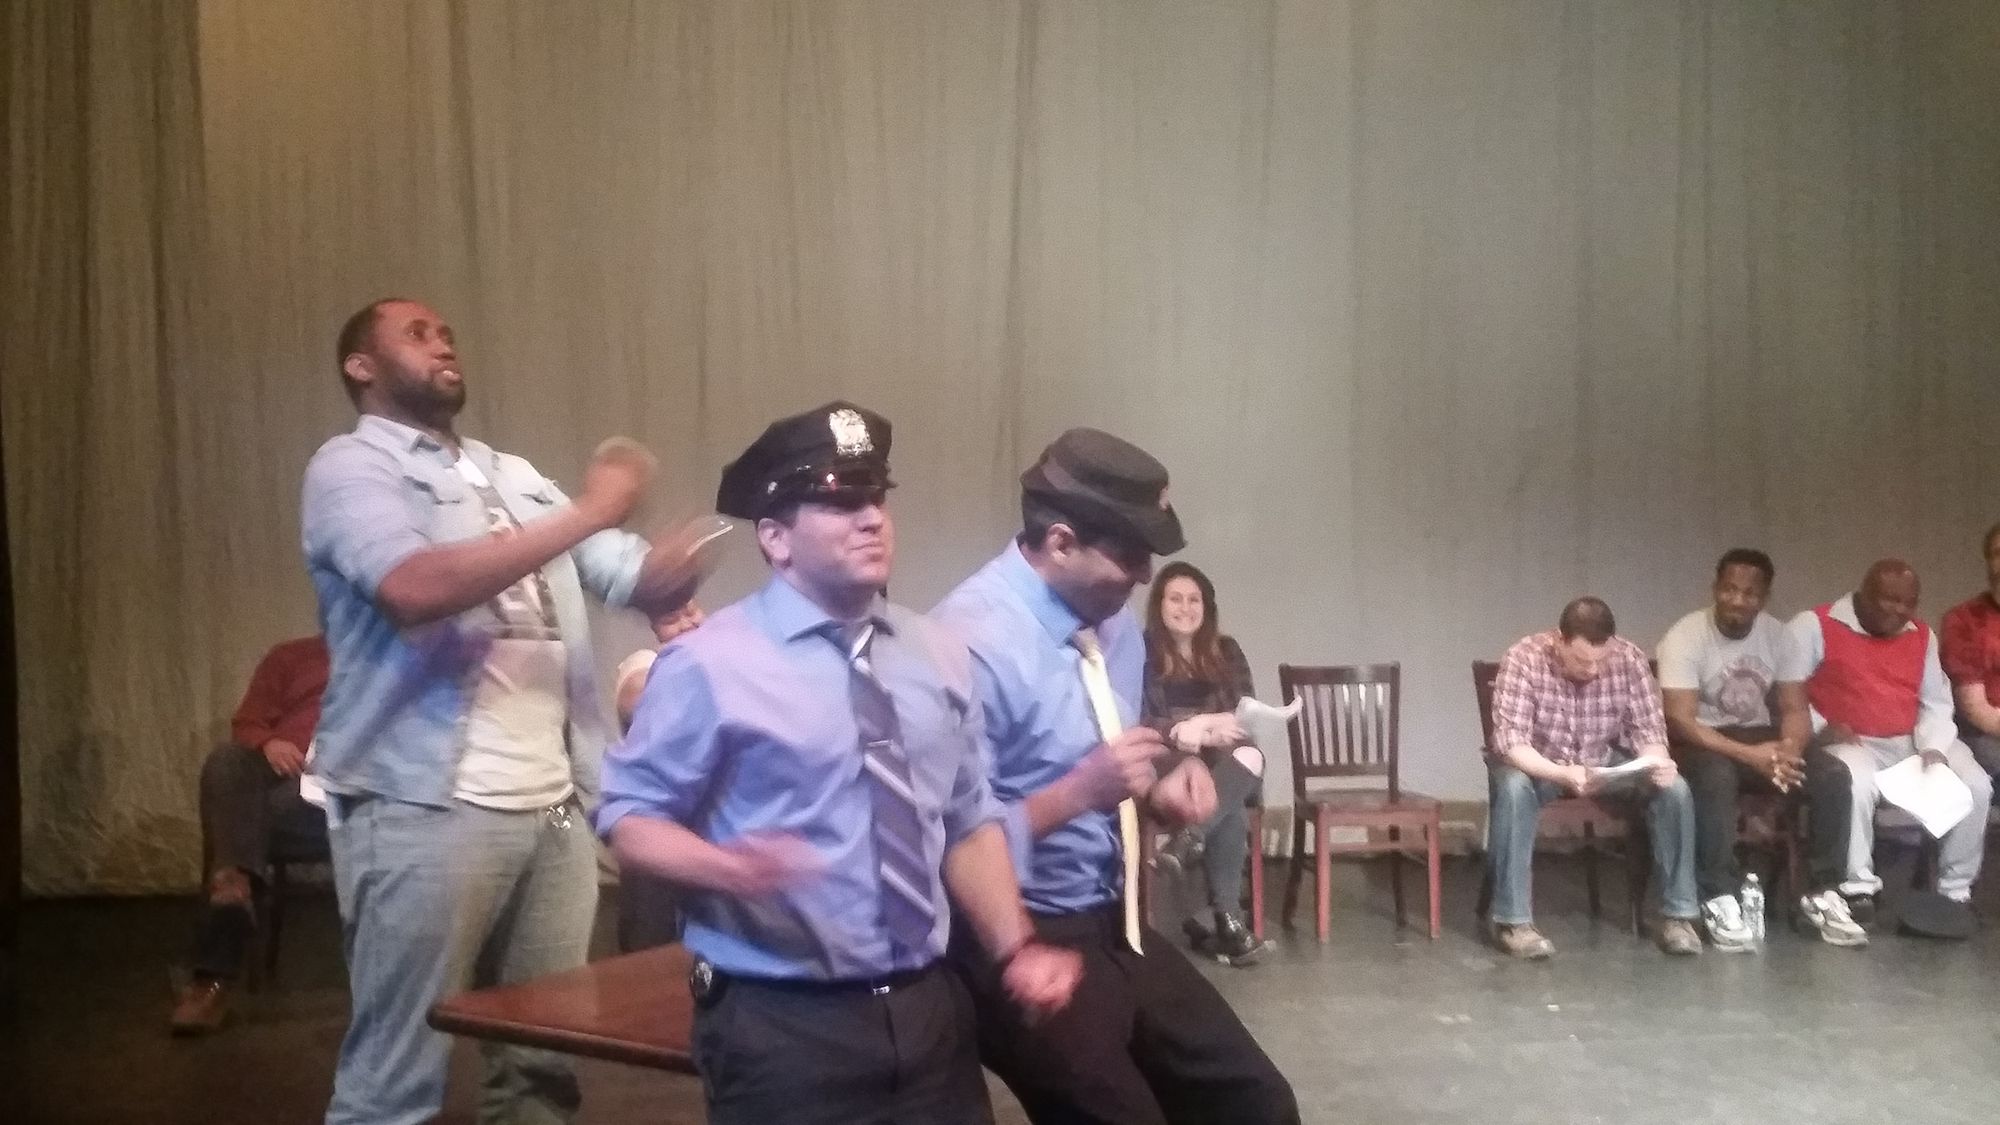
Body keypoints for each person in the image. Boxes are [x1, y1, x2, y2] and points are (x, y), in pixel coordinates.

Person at [597, 402, 1079, 1125]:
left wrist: (1017, 948)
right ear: (776, 537)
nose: (871, 518)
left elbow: (969, 819)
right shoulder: (709, 665)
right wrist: (728, 867)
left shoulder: (935, 652)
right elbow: (627, 816)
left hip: (927, 1008)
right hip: (782, 1023)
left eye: (877, 498)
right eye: (837, 501)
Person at [302, 297, 709, 1125]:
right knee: (395, 1078)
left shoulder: (513, 473)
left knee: (539, 1067)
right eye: (416, 333)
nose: (443, 340)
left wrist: (688, 555)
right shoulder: (350, 468)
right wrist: (595, 507)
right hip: (424, 803)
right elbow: (411, 587)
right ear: (361, 366)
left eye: (447, 330)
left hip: (553, 804)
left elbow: (633, 577)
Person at [933, 428, 1299, 1125]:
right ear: (1061, 540)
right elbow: (945, 840)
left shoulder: (1117, 628)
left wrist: (1158, 787)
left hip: (1118, 922)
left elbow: (1116, 764)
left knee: (1255, 1101)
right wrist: (1079, 793)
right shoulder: (966, 642)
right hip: (1017, 932)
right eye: (1129, 555)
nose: (1142, 578)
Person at [1656, 550, 1863, 948]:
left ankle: (1823, 892)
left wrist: (1788, 751)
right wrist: (1752, 756)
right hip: (1700, 741)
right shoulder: (1685, 636)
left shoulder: (1779, 636)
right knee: (1715, 778)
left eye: (1750, 593)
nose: (1738, 600)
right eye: (1730, 589)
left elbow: (1794, 708)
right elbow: (1681, 719)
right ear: (1716, 588)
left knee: (1833, 775)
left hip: (1758, 737)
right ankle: (1718, 895)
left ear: (1764, 597)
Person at [1486, 597, 1702, 959]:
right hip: (1541, 763)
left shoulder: (1629, 659)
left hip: (1604, 763)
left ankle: (1678, 918)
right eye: (1582, 661)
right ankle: (1513, 923)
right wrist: (1561, 772)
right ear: (1559, 641)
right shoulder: (1524, 658)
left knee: (1674, 789)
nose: (1593, 670)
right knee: (1512, 786)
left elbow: (1649, 734)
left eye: (1601, 661)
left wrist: (1658, 762)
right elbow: (1511, 744)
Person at [1791, 559, 1993, 922]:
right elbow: (1787, 692)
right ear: (1864, 593)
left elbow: (1936, 703)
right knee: (1854, 781)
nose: (1900, 611)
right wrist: (1822, 726)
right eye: (1889, 599)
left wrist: (1933, 747)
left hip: (1912, 742)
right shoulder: (1815, 624)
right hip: (1849, 740)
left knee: (1976, 785)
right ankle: (1858, 888)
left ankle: (1955, 891)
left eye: (1908, 603)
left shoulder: (1921, 635)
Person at [168, 634, 331, 1034]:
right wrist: (269, 742)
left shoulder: (397, 655)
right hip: (285, 785)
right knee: (227, 762)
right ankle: (234, 886)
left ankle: (210, 980)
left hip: (346, 789)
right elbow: (248, 720)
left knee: (247, 818)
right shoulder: (293, 657)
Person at [1139, 560, 1271, 965]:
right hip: (1167, 764)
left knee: (1251, 755)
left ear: (1206, 606)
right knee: (1226, 804)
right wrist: (1191, 729)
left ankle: (1191, 840)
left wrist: (1207, 727)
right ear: (1159, 605)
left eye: (1194, 599)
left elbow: (1245, 712)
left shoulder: (1226, 651)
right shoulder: (1142, 650)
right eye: (1175, 598)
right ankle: (1229, 922)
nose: (1185, 607)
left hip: (1223, 762)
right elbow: (1142, 718)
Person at [1940, 522, 2000, 781]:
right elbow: (1974, 708)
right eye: (1998, 552)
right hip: (1984, 732)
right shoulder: (1963, 619)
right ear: (1989, 562)